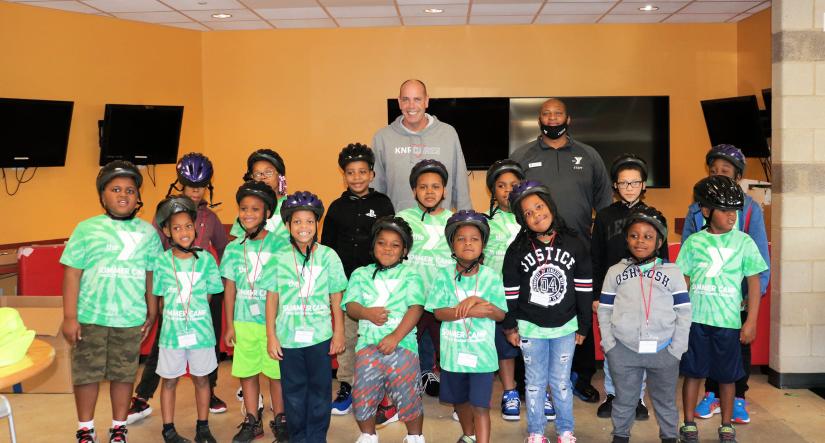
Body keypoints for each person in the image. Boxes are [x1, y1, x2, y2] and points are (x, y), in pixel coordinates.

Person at [511, 98, 612, 402]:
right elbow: (511, 197)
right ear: (539, 120)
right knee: (536, 309)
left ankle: (580, 376)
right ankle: (526, 379)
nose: (552, 119)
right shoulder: (522, 155)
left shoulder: (588, 155)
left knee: (580, 308)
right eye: (546, 114)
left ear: (568, 120)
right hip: (534, 250)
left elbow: (604, 203)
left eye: (558, 114)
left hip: (577, 250)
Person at [60, 160, 163, 443]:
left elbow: (151, 274)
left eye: (130, 190)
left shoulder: (147, 234)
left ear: (138, 197)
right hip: (90, 317)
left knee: (123, 374)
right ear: (102, 195)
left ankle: (119, 427)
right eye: (116, 189)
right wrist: (70, 316)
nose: (123, 195)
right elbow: (72, 274)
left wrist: (152, 310)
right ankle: (85, 428)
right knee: (86, 375)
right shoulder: (86, 229)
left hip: (129, 318)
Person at [129, 153, 230, 424]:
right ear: (181, 184)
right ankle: (142, 396)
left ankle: (210, 391)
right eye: (189, 185)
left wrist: (219, 279)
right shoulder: (165, 214)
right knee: (164, 345)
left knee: (208, 343)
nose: (195, 190)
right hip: (172, 292)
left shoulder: (210, 218)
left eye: (201, 185)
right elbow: (153, 250)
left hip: (203, 289)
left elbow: (223, 247)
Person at [682, 144, 771, 425]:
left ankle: (738, 397)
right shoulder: (696, 209)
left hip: (735, 295)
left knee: (735, 351)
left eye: (726, 171)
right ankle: (710, 395)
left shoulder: (749, 210)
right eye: (713, 171)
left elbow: (758, 259)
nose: (719, 174)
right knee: (704, 354)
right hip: (703, 299)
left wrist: (750, 298)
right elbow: (688, 252)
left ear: (737, 175)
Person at [502, 181, 593, 443]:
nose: (536, 215)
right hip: (530, 327)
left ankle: (565, 430)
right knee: (534, 383)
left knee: (561, 382)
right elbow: (510, 292)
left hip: (566, 327)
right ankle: (536, 431)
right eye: (528, 213)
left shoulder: (575, 243)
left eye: (539, 207)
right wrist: (510, 326)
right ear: (522, 220)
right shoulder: (517, 250)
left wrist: (584, 325)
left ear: (550, 206)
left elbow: (585, 288)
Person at [597, 205, 691, 443]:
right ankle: (620, 435)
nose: (640, 241)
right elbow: (605, 309)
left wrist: (677, 349)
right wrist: (610, 345)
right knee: (624, 399)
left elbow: (684, 311)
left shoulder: (673, 272)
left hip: (664, 351)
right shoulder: (615, 271)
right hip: (624, 350)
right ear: (626, 239)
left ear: (659, 241)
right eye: (634, 235)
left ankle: (670, 436)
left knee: (665, 401)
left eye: (648, 237)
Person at [264, 191, 348, 443]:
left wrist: (340, 331)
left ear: (317, 224)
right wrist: (271, 336)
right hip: (288, 338)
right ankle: (298, 436)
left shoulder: (328, 256)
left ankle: (316, 437)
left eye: (310, 221)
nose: (304, 227)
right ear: (288, 225)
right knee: (293, 392)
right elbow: (272, 299)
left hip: (320, 336)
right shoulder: (278, 259)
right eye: (297, 221)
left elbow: (336, 297)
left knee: (321, 391)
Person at [592, 154, 669, 419]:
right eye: (623, 183)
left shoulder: (655, 217)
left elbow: (664, 259)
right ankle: (614, 394)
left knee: (641, 344)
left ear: (644, 186)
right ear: (615, 186)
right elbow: (596, 258)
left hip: (645, 294)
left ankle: (637, 398)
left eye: (634, 183)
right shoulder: (603, 217)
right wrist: (596, 295)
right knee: (613, 344)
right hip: (614, 293)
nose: (629, 188)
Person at [322, 143, 395, 415]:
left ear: (372, 174)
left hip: (377, 283)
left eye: (362, 171)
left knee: (377, 333)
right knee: (348, 336)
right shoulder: (336, 207)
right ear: (344, 175)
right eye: (350, 172)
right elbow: (326, 247)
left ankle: (381, 386)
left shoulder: (383, 204)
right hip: (345, 285)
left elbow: (392, 243)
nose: (356, 177)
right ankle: (347, 385)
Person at [342, 216, 426, 443]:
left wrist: (395, 337)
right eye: (382, 242)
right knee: (362, 394)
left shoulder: (411, 275)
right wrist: (367, 313)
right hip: (368, 346)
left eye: (395, 244)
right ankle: (368, 434)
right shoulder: (360, 274)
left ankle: (415, 436)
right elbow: (350, 306)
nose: (387, 248)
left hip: (403, 346)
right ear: (373, 245)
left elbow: (416, 308)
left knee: (409, 394)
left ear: (404, 250)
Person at [428, 210, 507, 443]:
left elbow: (500, 314)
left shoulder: (491, 277)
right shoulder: (443, 276)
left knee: (481, 406)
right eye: (461, 238)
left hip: (482, 358)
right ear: (452, 245)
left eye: (474, 238)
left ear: (483, 244)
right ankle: (469, 435)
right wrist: (472, 310)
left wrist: (479, 301)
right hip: (453, 356)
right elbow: (439, 313)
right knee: (459, 401)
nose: (468, 243)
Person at [152, 197, 224, 443]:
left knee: (202, 379)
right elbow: (160, 300)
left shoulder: (207, 260)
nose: (184, 231)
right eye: (177, 227)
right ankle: (168, 429)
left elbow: (210, 294)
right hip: (171, 334)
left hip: (201, 332)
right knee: (169, 381)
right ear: (166, 231)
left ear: (195, 228)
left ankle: (203, 426)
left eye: (188, 226)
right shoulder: (161, 261)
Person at [221, 181, 288, 443]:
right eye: (243, 208)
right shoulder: (233, 248)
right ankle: (252, 420)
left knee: (276, 374)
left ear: (267, 214)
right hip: (244, 322)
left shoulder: (281, 245)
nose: (248, 213)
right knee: (247, 372)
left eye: (255, 209)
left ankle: (280, 418)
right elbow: (229, 289)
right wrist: (229, 325)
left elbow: (286, 286)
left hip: (273, 324)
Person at [397, 159, 455, 403]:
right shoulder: (404, 218)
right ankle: (412, 385)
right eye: (423, 187)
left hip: (443, 298)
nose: (429, 191)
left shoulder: (453, 220)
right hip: (413, 298)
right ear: (414, 191)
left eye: (435, 186)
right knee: (409, 345)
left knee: (447, 348)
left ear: (444, 190)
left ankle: (455, 397)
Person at [372, 79, 472, 211]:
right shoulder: (382, 138)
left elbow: (461, 185)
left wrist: (467, 219)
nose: (411, 106)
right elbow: (376, 187)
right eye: (406, 99)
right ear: (399, 102)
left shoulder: (448, 134)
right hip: (398, 226)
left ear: (426, 101)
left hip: (439, 226)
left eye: (417, 99)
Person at [483, 159, 525, 421]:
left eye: (514, 185)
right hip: (499, 295)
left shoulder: (533, 217)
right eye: (501, 185)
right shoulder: (486, 222)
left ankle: (537, 391)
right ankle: (509, 391)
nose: (508, 190)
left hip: (531, 297)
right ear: (493, 191)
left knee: (533, 346)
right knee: (505, 347)